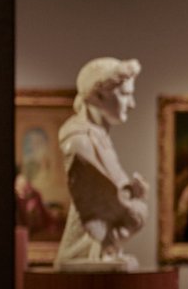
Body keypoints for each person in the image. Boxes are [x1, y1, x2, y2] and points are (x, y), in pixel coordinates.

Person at [54, 57, 147, 270]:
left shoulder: (98, 137)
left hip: (97, 243)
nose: (132, 104)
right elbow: (116, 206)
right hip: (82, 248)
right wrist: (133, 200)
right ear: (97, 96)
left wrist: (133, 195)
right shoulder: (80, 143)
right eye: (124, 94)